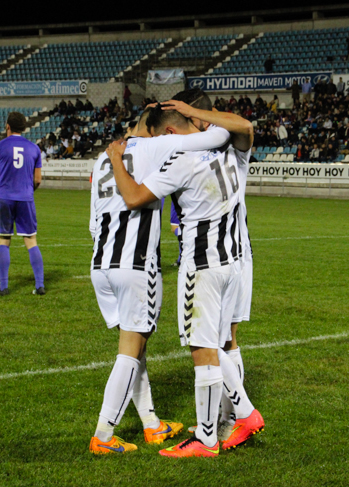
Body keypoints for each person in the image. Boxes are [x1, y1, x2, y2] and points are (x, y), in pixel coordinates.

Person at [87, 92, 251, 456]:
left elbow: (95, 220)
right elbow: (220, 135)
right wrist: (196, 116)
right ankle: (104, 433)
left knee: (135, 346)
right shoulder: (156, 148)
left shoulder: (102, 158)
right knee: (133, 350)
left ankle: (151, 424)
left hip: (101, 263)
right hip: (137, 262)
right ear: (159, 128)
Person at [0, 112, 45, 296]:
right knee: (31, 240)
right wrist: (27, 191)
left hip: (4, 198)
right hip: (25, 198)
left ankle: (4, 287)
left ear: (7, 126)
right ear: (23, 128)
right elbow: (38, 180)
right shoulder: (34, 149)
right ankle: (39, 285)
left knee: (4, 240)